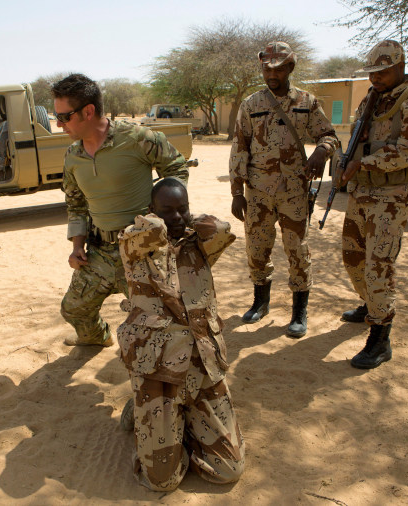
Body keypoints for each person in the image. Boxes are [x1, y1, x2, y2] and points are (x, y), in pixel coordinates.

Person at [117, 177, 244, 491]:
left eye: (181, 209)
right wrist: (162, 224)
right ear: (151, 210)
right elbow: (146, 233)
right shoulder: (133, 245)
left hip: (201, 366)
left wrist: (188, 221)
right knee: (162, 481)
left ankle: (185, 425)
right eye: (166, 210)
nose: (175, 217)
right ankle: (143, 409)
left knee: (228, 470)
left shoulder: (197, 245)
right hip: (158, 372)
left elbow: (223, 228)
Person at [52, 73, 189, 347]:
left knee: (159, 321)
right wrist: (77, 245)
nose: (58, 124)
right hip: (100, 252)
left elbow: (175, 168)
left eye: (65, 117)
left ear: (88, 111)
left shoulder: (137, 138)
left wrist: (163, 213)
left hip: (141, 251)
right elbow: (75, 203)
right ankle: (97, 338)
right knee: (73, 309)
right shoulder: (72, 156)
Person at [229, 42, 340, 337]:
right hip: (258, 192)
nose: (272, 74)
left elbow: (329, 135)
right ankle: (260, 302)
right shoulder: (251, 104)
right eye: (267, 68)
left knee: (297, 250)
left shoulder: (307, 101)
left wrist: (322, 151)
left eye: (278, 68)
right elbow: (240, 146)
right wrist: (237, 192)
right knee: (257, 248)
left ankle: (298, 312)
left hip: (293, 191)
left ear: (290, 68)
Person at [340, 40, 408, 369]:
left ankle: (380, 338)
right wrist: (347, 163)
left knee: (378, 263)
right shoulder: (373, 97)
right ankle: (370, 305)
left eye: (382, 72)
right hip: (363, 191)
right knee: (353, 255)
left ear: (400, 67)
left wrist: (363, 163)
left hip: (393, 195)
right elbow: (359, 136)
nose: (376, 78)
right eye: (372, 73)